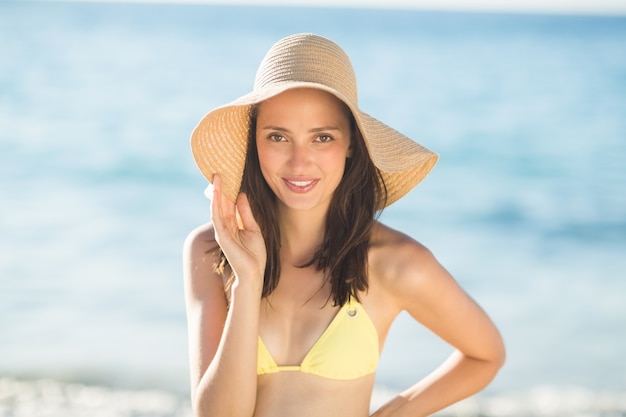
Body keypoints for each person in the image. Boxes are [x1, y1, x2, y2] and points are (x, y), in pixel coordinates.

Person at [183, 33, 505, 417]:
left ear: (352, 142)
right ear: (255, 141)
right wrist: (247, 281)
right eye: (278, 136)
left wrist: (394, 413)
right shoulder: (212, 251)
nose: (299, 162)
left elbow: (486, 355)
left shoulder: (395, 262)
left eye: (322, 137)